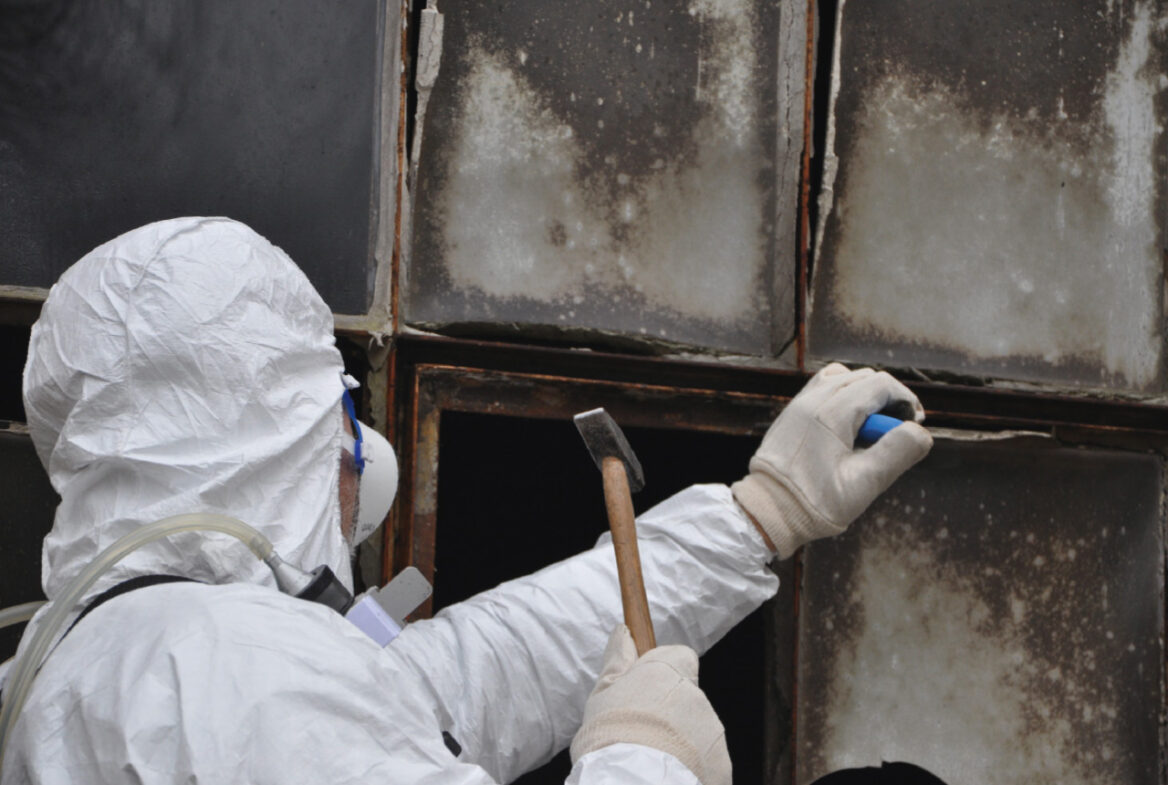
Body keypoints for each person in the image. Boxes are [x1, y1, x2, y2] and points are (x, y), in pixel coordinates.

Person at [0, 217, 932, 784]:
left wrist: (762, 511)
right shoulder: (237, 674)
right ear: (287, 432)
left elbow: (484, 669)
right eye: (341, 412)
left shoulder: (102, 659)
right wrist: (644, 754)